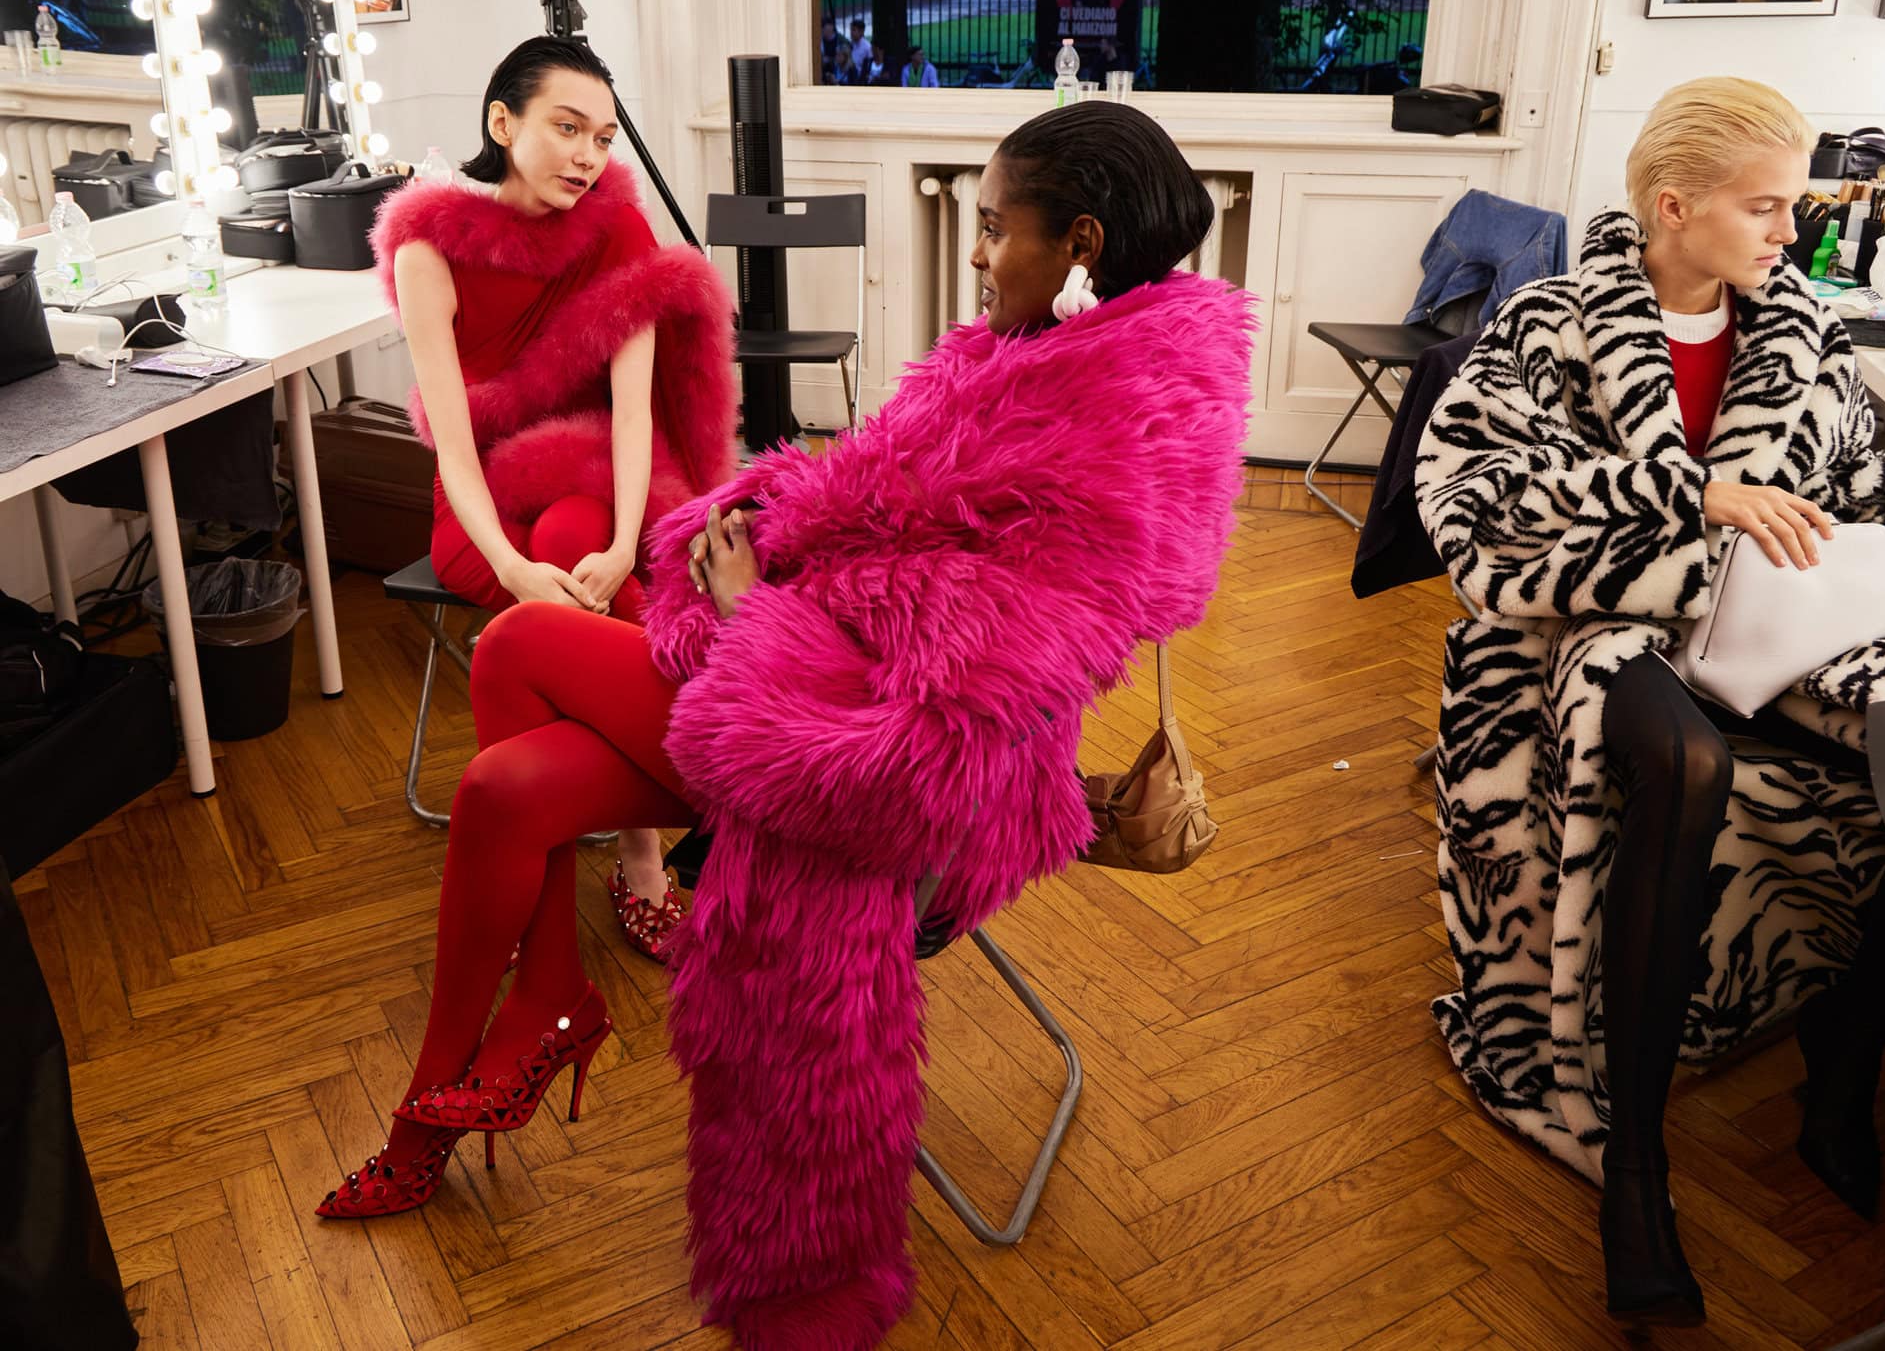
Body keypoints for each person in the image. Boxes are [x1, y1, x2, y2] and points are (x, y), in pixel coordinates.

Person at [317, 101, 1248, 1351]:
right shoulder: (1024, 360)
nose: (977, 254)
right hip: (797, 677)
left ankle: (525, 1023)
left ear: (1080, 241)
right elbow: (877, 514)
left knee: (519, 642)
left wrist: (749, 609)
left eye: (993, 228)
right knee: (499, 790)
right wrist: (776, 518)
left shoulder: (1106, 446)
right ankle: (496, 1047)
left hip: (841, 762)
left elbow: (925, 751)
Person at [1415, 76, 1885, 1327]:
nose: (1791, 230)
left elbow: (1864, 484)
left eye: (1794, 204)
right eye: (1766, 206)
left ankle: (1881, 1065)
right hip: (1607, 620)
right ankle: (1634, 1159)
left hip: (1784, 616)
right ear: (1674, 206)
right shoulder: (1554, 321)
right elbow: (1472, 501)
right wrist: (1686, 499)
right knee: (1679, 762)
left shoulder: (1804, 332)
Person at [366, 37, 737, 964]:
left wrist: (619, 543)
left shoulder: (616, 232)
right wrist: (509, 566)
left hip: (598, 485)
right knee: (565, 577)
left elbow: (630, 413)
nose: (588, 157)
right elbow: (453, 446)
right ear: (503, 123)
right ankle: (700, 799)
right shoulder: (428, 249)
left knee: (579, 546)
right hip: (483, 508)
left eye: (603, 138)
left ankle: (581, 854)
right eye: (568, 129)